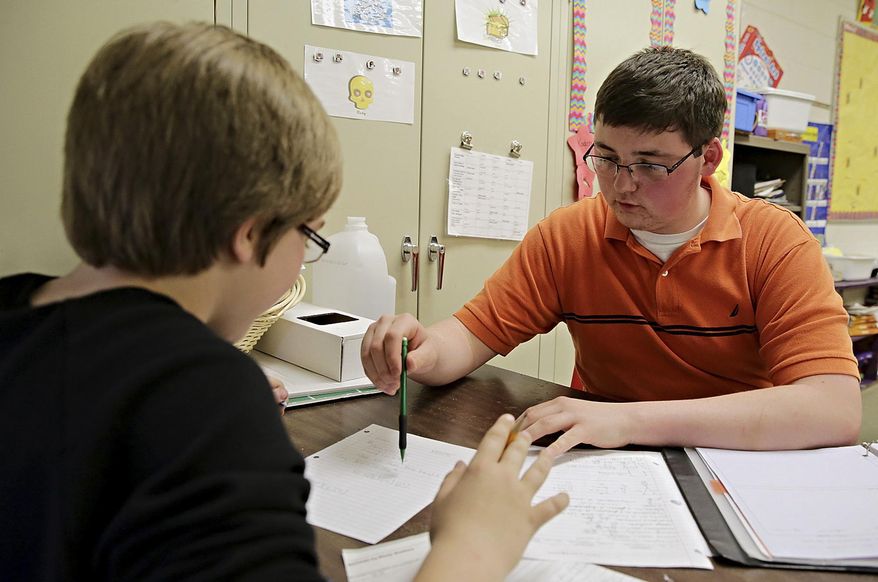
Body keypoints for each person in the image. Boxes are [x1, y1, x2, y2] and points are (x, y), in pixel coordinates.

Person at [0, 22, 567, 581]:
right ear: (248, 235)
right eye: (311, 235)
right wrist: (472, 547)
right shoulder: (203, 399)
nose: (306, 259)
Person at [362, 46, 862, 455]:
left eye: (650, 164)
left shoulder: (774, 243)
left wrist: (631, 419)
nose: (622, 186)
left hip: (730, 459)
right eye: (605, 157)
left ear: (708, 157)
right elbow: (473, 335)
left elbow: (833, 409)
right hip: (602, 456)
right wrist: (420, 352)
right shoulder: (567, 236)